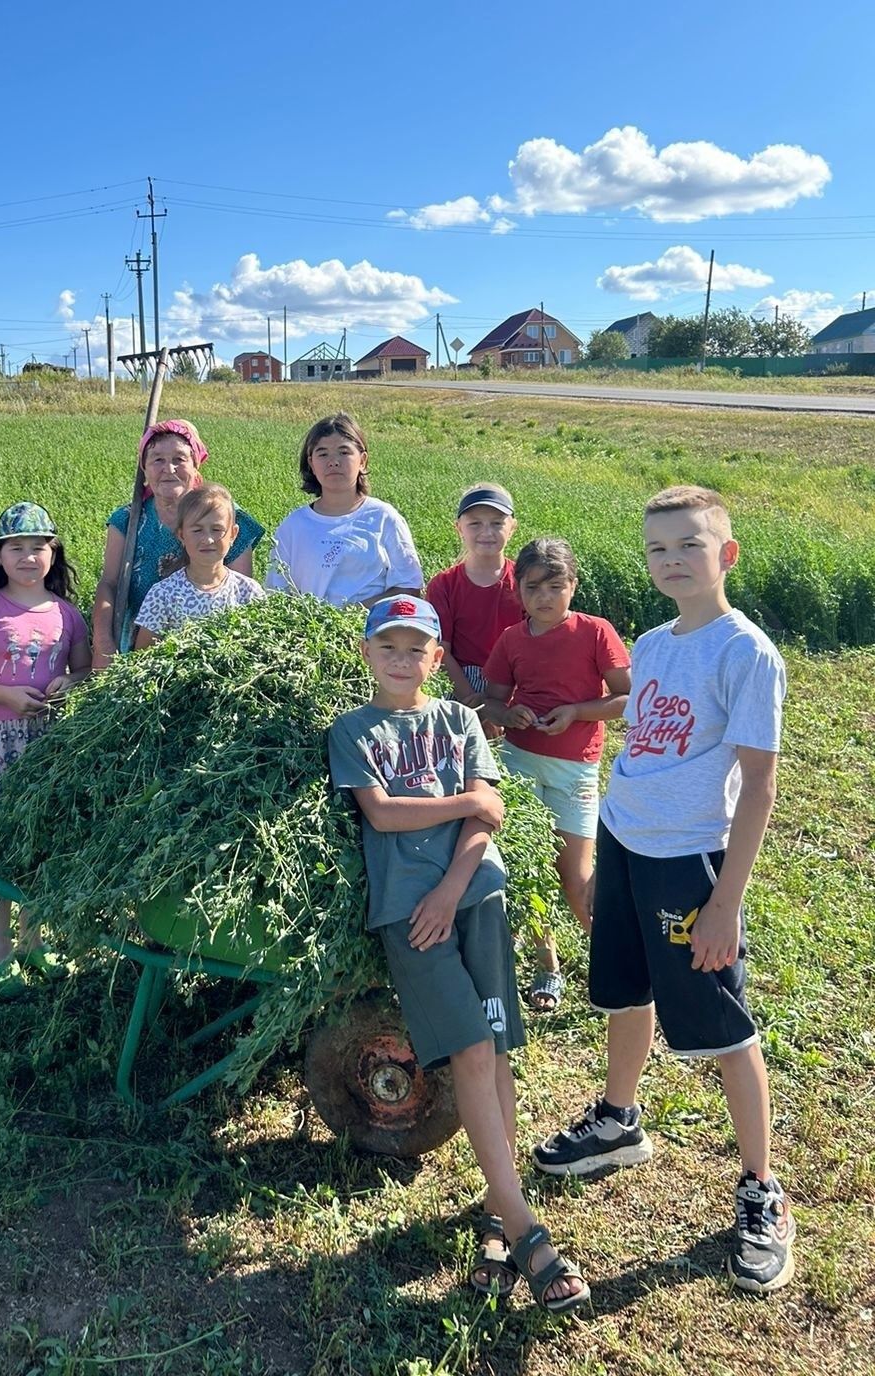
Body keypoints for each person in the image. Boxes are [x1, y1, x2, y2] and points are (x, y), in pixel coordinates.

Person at [532, 487, 794, 1296]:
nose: (673, 560)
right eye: (658, 549)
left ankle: (761, 1189)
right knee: (623, 991)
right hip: (624, 836)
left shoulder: (746, 653)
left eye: (689, 544)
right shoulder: (651, 641)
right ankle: (619, 1121)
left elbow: (758, 787)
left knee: (723, 1022)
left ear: (728, 553)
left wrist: (725, 904)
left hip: (690, 860)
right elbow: (642, 732)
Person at [328, 595, 590, 1314]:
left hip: (476, 897)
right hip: (409, 915)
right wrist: (462, 806)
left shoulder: (458, 720)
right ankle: (529, 1228)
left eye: (418, 649)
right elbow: (381, 811)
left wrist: (452, 883)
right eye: (390, 647)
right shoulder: (352, 729)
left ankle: (497, 1224)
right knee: (471, 1052)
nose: (404, 659)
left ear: (437, 659)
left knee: (498, 1053)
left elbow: (493, 815)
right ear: (367, 654)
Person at [482, 538, 631, 1013]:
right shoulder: (511, 640)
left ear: (573, 586)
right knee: (528, 873)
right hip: (520, 765)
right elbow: (492, 702)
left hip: (575, 771)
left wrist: (577, 712)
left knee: (576, 876)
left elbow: (629, 698)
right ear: (518, 591)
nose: (544, 597)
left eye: (555, 586)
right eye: (532, 588)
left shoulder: (595, 632)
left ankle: (617, 965)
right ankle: (548, 967)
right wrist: (511, 715)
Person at [0, 503, 91, 991]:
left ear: (53, 554)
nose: (29, 557)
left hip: (47, 739)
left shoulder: (68, 615)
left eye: (39, 547)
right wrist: (6, 695)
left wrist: (69, 685)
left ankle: (34, 942)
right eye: (17, 548)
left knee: (40, 842)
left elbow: (83, 671)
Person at [90, 419, 263, 664]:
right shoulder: (127, 520)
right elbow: (109, 583)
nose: (168, 469)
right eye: (157, 459)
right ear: (144, 468)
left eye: (179, 459)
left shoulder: (228, 516)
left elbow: (238, 598)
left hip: (217, 654)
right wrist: (103, 645)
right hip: (141, 651)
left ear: (196, 465)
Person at [265, 413, 423, 608]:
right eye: (322, 454)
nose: (333, 461)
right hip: (308, 633)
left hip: (373, 633)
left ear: (362, 460)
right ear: (311, 464)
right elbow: (277, 595)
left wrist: (351, 614)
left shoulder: (383, 518)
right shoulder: (293, 526)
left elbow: (409, 587)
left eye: (344, 452)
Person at [426, 483, 523, 707]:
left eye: (497, 523)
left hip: (515, 682)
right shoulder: (444, 585)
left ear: (512, 527)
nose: (486, 532)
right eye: (475, 524)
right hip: (459, 681)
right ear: (459, 528)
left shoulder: (526, 581)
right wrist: (471, 701)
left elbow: (535, 645)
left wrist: (499, 703)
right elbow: (442, 651)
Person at [134, 484, 265, 645]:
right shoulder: (163, 595)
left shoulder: (248, 592)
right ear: (181, 535)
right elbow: (143, 657)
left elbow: (261, 647)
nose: (208, 539)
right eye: (197, 530)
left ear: (233, 534)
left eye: (217, 529)